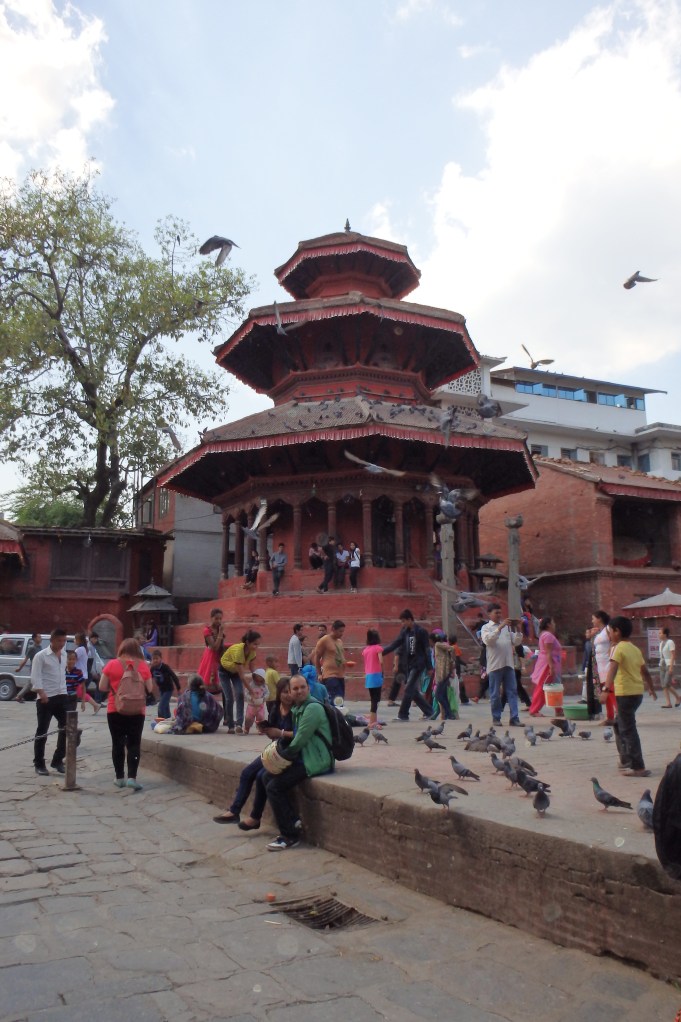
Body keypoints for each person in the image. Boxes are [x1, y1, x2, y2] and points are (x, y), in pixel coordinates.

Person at [259, 673, 334, 851]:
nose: (299, 691)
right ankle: (293, 820)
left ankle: (290, 835)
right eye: (295, 688)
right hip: (304, 756)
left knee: (274, 786)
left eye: (302, 687)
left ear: (308, 688)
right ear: (291, 692)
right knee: (267, 778)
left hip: (316, 760)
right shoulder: (298, 709)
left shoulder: (312, 709)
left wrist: (281, 757)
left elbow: (299, 740)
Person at [212, 678, 294, 829]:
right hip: (275, 750)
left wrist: (280, 733)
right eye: (284, 692)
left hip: (289, 753)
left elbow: (300, 735)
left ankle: (255, 817)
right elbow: (275, 734)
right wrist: (268, 731)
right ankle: (234, 810)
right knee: (247, 772)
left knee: (261, 776)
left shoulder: (297, 711)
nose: (288, 695)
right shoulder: (276, 708)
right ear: (279, 694)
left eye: (291, 691)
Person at [603, 615, 657, 777]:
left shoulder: (619, 648)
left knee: (628, 729)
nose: (609, 635)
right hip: (637, 694)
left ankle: (638, 767)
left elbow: (612, 668)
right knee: (620, 725)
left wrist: (605, 690)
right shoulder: (634, 649)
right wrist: (652, 688)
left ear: (617, 632)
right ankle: (626, 759)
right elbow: (645, 671)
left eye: (610, 632)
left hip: (625, 694)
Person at [99, 637, 154, 790]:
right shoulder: (143, 666)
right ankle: (132, 777)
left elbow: (102, 686)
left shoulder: (112, 664)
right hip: (137, 710)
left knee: (117, 743)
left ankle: (119, 777)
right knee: (134, 743)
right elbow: (150, 689)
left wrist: (115, 687)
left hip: (115, 709)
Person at [382, 609, 433, 722]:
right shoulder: (405, 632)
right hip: (408, 664)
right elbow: (396, 643)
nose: (402, 624)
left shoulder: (421, 631)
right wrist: (382, 652)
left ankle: (403, 715)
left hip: (418, 664)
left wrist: (429, 667)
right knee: (412, 691)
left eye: (404, 621)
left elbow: (426, 649)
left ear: (410, 620)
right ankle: (429, 711)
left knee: (408, 688)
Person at [31, 628, 68, 775]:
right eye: (59, 640)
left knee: (67, 728)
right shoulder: (41, 656)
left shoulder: (64, 654)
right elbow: (35, 676)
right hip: (46, 698)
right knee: (42, 731)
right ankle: (39, 763)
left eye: (64, 641)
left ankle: (58, 759)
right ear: (52, 640)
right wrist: (41, 692)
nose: (62, 643)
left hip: (62, 695)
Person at [480, 603, 523, 727]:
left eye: (500, 612)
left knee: (512, 692)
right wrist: (499, 628)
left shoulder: (506, 628)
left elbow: (515, 641)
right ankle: (496, 718)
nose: (499, 615)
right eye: (496, 613)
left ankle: (514, 718)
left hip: (508, 664)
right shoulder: (486, 628)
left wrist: (518, 629)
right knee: (495, 694)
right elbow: (488, 640)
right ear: (489, 614)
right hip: (494, 665)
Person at [220, 630, 262, 733]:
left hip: (235, 672)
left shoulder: (252, 653)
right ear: (247, 642)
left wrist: (259, 680)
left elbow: (253, 669)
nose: (256, 647)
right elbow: (242, 677)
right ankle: (230, 725)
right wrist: (251, 691)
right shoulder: (239, 651)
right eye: (254, 644)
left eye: (258, 644)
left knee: (239, 694)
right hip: (224, 671)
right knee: (229, 698)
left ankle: (239, 724)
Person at [528, 617, 562, 715]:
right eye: (553, 622)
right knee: (543, 688)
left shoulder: (544, 635)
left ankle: (558, 709)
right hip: (548, 665)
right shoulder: (548, 636)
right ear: (548, 625)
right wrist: (551, 667)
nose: (554, 624)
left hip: (549, 663)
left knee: (555, 686)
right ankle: (534, 710)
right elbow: (548, 652)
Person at [588, 610, 615, 724]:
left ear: (599, 618)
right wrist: (590, 635)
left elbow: (614, 640)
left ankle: (619, 715)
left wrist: (611, 650)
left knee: (611, 690)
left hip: (608, 663)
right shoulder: (600, 631)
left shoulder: (609, 629)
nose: (592, 620)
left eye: (593, 618)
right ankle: (610, 716)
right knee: (606, 692)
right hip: (601, 665)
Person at [313, 619, 347, 703]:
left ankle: (338, 715)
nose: (341, 634)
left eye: (343, 631)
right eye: (340, 631)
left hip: (340, 675)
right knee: (335, 701)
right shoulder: (324, 640)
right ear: (333, 629)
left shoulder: (339, 642)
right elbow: (316, 657)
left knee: (340, 701)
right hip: (330, 676)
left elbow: (340, 656)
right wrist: (319, 674)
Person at [430, 630, 457, 721]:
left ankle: (448, 713)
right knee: (443, 695)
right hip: (444, 673)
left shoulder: (438, 644)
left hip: (442, 674)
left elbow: (451, 648)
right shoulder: (440, 646)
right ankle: (449, 714)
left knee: (438, 695)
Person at [198, 608, 225, 695]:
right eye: (216, 618)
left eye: (220, 619)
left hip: (218, 657)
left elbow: (220, 646)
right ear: (211, 618)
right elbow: (214, 647)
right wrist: (220, 633)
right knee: (207, 685)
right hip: (210, 657)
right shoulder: (207, 630)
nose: (218, 621)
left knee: (220, 687)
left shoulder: (219, 629)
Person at [65, 648, 99, 714]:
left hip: (72, 697)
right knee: (63, 718)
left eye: (73, 659)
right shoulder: (62, 671)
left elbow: (83, 688)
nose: (71, 661)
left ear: (76, 660)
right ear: (65, 660)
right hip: (63, 697)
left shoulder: (78, 672)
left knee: (71, 716)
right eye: (69, 659)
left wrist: (83, 702)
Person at [150, 648, 181, 719]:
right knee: (165, 705)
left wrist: (178, 688)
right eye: (153, 659)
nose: (155, 660)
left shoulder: (165, 667)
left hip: (168, 689)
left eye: (157, 658)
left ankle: (160, 721)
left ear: (161, 659)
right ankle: (168, 718)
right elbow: (149, 678)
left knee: (161, 706)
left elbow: (174, 676)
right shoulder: (152, 668)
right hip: (161, 689)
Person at [361, 629, 383, 726]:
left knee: (373, 698)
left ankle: (373, 719)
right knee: (376, 699)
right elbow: (381, 661)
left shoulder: (365, 650)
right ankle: (372, 722)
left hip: (368, 676)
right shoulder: (378, 648)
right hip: (376, 675)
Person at [14, 632, 43, 702]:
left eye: (40, 637)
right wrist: (19, 668)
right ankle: (19, 696)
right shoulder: (32, 648)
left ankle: (19, 696)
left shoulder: (40, 647)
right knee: (33, 683)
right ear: (34, 638)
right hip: (34, 669)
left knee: (32, 683)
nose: (40, 638)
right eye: (39, 637)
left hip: (40, 669)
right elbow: (25, 659)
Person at [658, 627, 681, 708]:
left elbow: (673, 654)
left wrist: (671, 666)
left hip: (668, 664)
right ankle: (668, 703)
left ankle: (678, 697)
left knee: (666, 683)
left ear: (665, 634)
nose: (659, 634)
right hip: (662, 664)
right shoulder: (661, 643)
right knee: (663, 685)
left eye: (660, 633)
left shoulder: (670, 642)